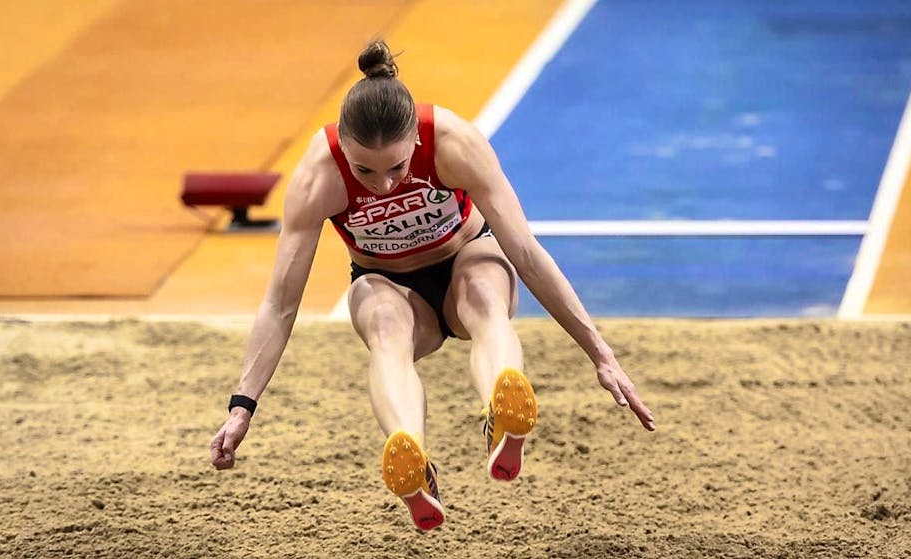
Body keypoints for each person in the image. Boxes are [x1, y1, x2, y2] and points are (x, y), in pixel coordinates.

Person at [209, 41, 655, 531]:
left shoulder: (454, 142)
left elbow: (525, 252)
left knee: (485, 295)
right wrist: (242, 405)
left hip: (466, 257)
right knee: (384, 329)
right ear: (345, 151)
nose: (382, 185)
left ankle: (503, 411)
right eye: (364, 171)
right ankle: (410, 456)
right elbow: (280, 303)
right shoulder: (319, 175)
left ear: (416, 143)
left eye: (397, 168)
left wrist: (601, 354)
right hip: (386, 283)